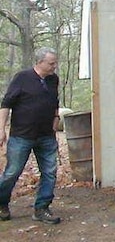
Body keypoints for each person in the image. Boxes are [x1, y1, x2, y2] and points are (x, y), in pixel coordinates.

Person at [0, 47, 61, 224]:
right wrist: (1, 129)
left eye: (55, 63)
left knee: (49, 172)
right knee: (12, 172)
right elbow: (6, 104)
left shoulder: (53, 80)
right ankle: (2, 203)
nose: (54, 66)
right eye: (51, 63)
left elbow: (55, 101)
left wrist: (56, 119)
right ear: (39, 62)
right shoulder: (22, 78)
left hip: (46, 136)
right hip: (22, 135)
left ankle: (42, 208)